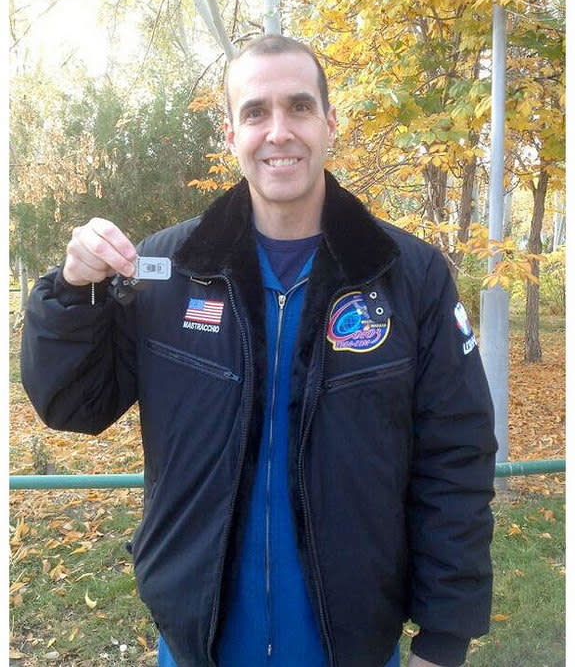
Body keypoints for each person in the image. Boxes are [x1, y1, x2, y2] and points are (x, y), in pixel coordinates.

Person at [21, 35, 497, 667]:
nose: (279, 132)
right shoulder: (170, 269)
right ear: (230, 133)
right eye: (255, 112)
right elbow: (72, 405)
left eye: (299, 107)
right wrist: (70, 293)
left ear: (330, 122)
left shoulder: (407, 274)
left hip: (351, 645)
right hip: (199, 644)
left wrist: (444, 640)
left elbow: (456, 459)